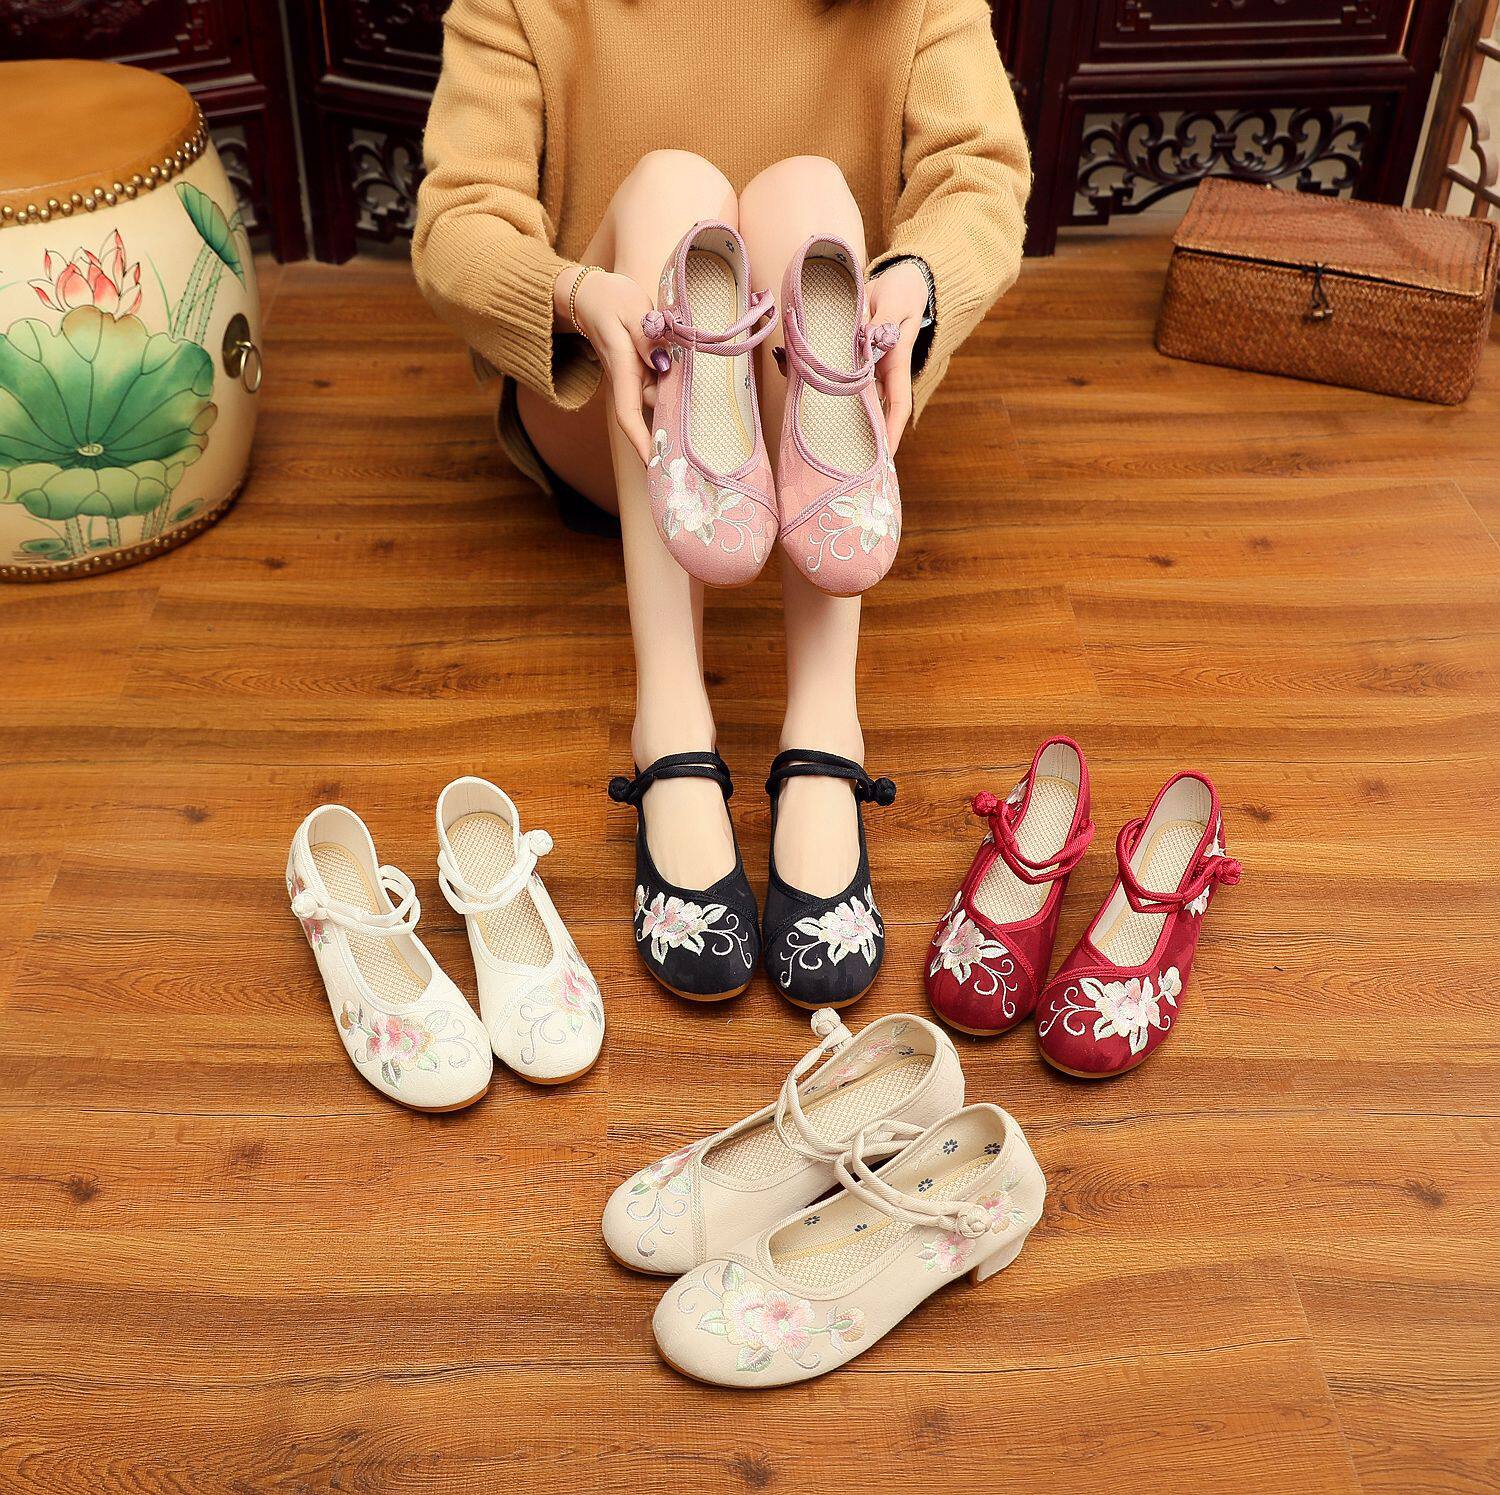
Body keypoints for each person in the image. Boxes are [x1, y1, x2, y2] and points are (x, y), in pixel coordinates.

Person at [412, 0, 1029, 1004]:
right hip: (620, 405)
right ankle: (672, 727)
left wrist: (918, 276)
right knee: (674, 190)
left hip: (817, 415)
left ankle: (826, 731)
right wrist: (579, 294)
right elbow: (456, 224)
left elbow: (982, 176)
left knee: (807, 194)